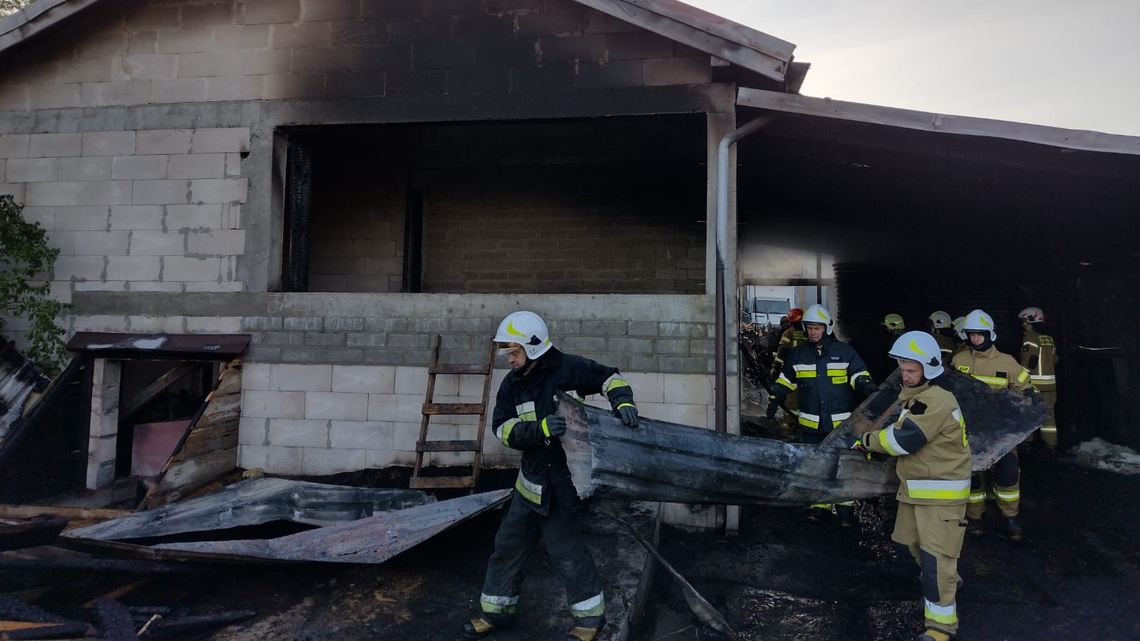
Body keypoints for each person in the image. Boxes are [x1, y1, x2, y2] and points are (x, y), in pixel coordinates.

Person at [464, 311, 640, 641]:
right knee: (507, 549)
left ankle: (589, 621)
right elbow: (502, 430)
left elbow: (610, 378)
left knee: (568, 554)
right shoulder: (512, 385)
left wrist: (623, 402)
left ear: (532, 348)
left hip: (562, 487)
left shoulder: (569, 369)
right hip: (529, 486)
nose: (510, 360)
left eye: (514, 352)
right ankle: (496, 614)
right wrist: (538, 430)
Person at [855, 331, 971, 641]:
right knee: (905, 544)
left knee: (935, 562)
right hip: (918, 491)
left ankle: (941, 627)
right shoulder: (917, 398)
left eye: (911, 370)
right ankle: (944, 583)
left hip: (941, 496)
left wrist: (868, 440)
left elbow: (903, 439)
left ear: (928, 369)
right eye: (902, 369)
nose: (905, 376)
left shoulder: (936, 401)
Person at [767, 304, 877, 525]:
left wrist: (867, 386)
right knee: (816, 467)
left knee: (844, 466)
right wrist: (775, 397)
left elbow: (858, 375)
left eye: (817, 328)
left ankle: (845, 508)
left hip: (841, 426)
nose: (813, 332)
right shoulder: (799, 354)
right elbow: (786, 380)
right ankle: (820, 506)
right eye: (809, 328)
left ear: (827, 328)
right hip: (811, 426)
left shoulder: (844, 352)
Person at [951, 309, 1039, 540]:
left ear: (990, 334)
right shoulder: (959, 360)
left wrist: (1032, 394)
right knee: (972, 477)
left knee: (1007, 474)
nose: (975, 339)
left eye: (980, 334)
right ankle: (976, 518)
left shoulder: (1007, 362)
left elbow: (1024, 385)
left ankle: (1010, 518)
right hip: (969, 431)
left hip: (1001, 431)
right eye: (971, 334)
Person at [1018, 307, 1059, 452]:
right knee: (1048, 416)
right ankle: (1050, 444)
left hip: (1034, 385)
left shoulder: (1030, 338)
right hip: (1050, 386)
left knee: (1028, 413)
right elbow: (1055, 359)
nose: (1023, 325)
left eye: (1024, 321)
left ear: (1030, 321)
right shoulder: (1048, 339)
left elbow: (1029, 362)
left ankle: (1027, 443)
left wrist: (1018, 380)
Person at [769, 307, 806, 431]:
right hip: (809, 371)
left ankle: (791, 424)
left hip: (792, 372)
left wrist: (775, 368)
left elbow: (782, 353)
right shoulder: (809, 333)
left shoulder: (788, 333)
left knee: (791, 399)